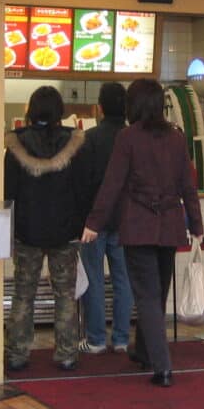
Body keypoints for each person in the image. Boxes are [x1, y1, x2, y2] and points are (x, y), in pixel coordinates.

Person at [82, 79, 204, 387]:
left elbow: (113, 183)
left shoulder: (128, 138)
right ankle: (145, 352)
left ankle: (162, 367)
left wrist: (93, 223)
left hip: (139, 225)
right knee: (157, 295)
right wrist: (196, 226)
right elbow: (188, 185)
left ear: (133, 105)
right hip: (170, 227)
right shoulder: (176, 138)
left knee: (148, 297)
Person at [4, 86, 92, 372]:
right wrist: (80, 225)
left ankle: (17, 353)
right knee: (65, 293)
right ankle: (66, 353)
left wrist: (12, 228)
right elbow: (82, 191)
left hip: (26, 232)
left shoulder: (16, 146)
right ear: (59, 111)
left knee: (23, 292)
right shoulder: (75, 143)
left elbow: (9, 192)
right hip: (65, 232)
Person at [79, 82, 134, 355]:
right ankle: (122, 339)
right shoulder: (133, 137)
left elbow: (83, 183)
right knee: (123, 279)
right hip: (127, 220)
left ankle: (97, 339)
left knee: (94, 278)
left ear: (99, 108)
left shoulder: (89, 139)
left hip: (94, 222)